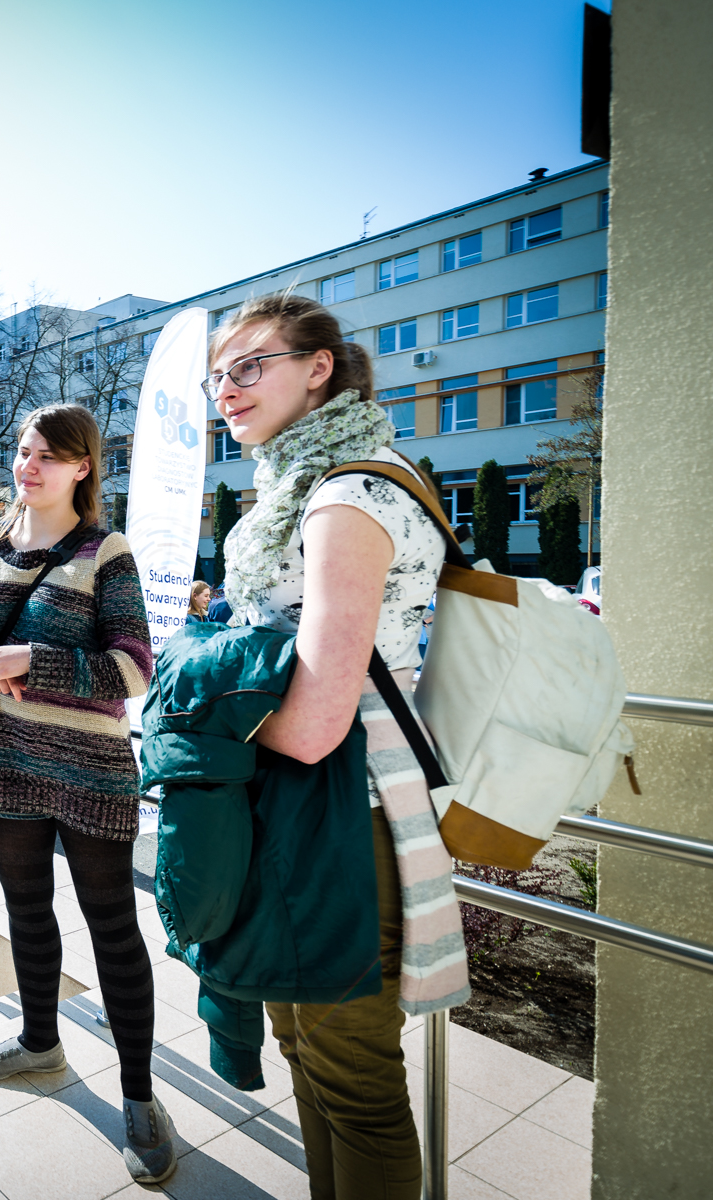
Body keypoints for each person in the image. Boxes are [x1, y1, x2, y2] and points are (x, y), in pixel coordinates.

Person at [211, 292, 456, 1200]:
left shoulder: (348, 495)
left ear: (319, 368)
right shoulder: (298, 486)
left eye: (250, 365)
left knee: (351, 1075)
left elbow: (316, 725)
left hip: (345, 812)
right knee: (302, 1047)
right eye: (218, 375)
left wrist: (200, 716)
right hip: (303, 811)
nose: (227, 390)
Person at [0, 403, 173, 1185]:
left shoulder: (106, 552)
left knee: (113, 930)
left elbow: (134, 668)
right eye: (22, 451)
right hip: (9, 761)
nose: (27, 466)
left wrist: (28, 661)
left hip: (92, 769)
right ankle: (40, 1044)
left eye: (46, 455)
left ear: (82, 467)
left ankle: (140, 1099)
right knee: (27, 914)